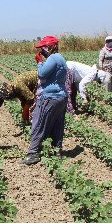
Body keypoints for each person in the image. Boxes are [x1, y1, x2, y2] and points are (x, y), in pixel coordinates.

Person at [21, 35, 68, 165]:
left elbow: (42, 74)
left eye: (43, 47)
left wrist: (39, 62)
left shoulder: (53, 58)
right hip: (62, 96)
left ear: (50, 47)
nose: (41, 50)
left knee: (38, 122)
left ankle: (33, 153)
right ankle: (57, 151)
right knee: (57, 124)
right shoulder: (61, 58)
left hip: (50, 97)